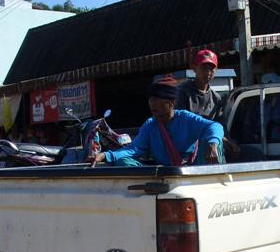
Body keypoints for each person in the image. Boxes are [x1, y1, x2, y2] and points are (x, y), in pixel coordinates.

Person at [90, 75, 224, 166]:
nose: (152, 103)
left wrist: (213, 144)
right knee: (123, 163)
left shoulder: (185, 118)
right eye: (150, 98)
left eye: (157, 99)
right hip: (164, 175)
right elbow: (134, 149)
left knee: (212, 141)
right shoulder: (150, 125)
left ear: (170, 103)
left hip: (192, 170)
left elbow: (215, 126)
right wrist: (105, 155)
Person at [176, 49, 223, 120]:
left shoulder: (216, 99)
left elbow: (218, 124)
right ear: (194, 68)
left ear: (216, 70)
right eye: (204, 68)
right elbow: (179, 121)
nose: (208, 73)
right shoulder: (182, 92)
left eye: (211, 69)